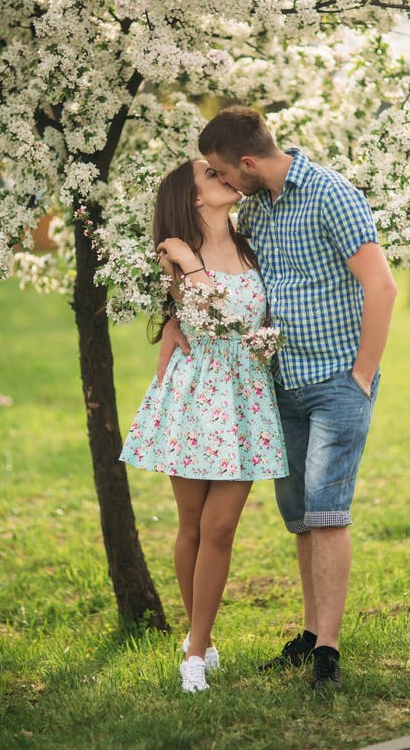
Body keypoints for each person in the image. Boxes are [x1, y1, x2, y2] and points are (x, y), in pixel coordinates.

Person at [158, 106, 397, 691]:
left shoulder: (331, 195)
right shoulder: (256, 210)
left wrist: (362, 375)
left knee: (327, 512)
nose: (221, 180)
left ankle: (328, 653)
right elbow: (222, 293)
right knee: (300, 518)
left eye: (220, 170)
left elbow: (382, 285)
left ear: (245, 162)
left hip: (336, 379)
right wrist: (174, 317)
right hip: (277, 385)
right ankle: (310, 634)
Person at [120, 158, 288, 693]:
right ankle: (201, 644)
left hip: (245, 399)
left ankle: (194, 650)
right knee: (191, 523)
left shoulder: (251, 243)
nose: (223, 176)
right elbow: (214, 316)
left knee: (220, 528)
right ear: (193, 198)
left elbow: (248, 318)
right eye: (210, 176)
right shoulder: (174, 252)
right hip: (195, 394)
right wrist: (191, 267)